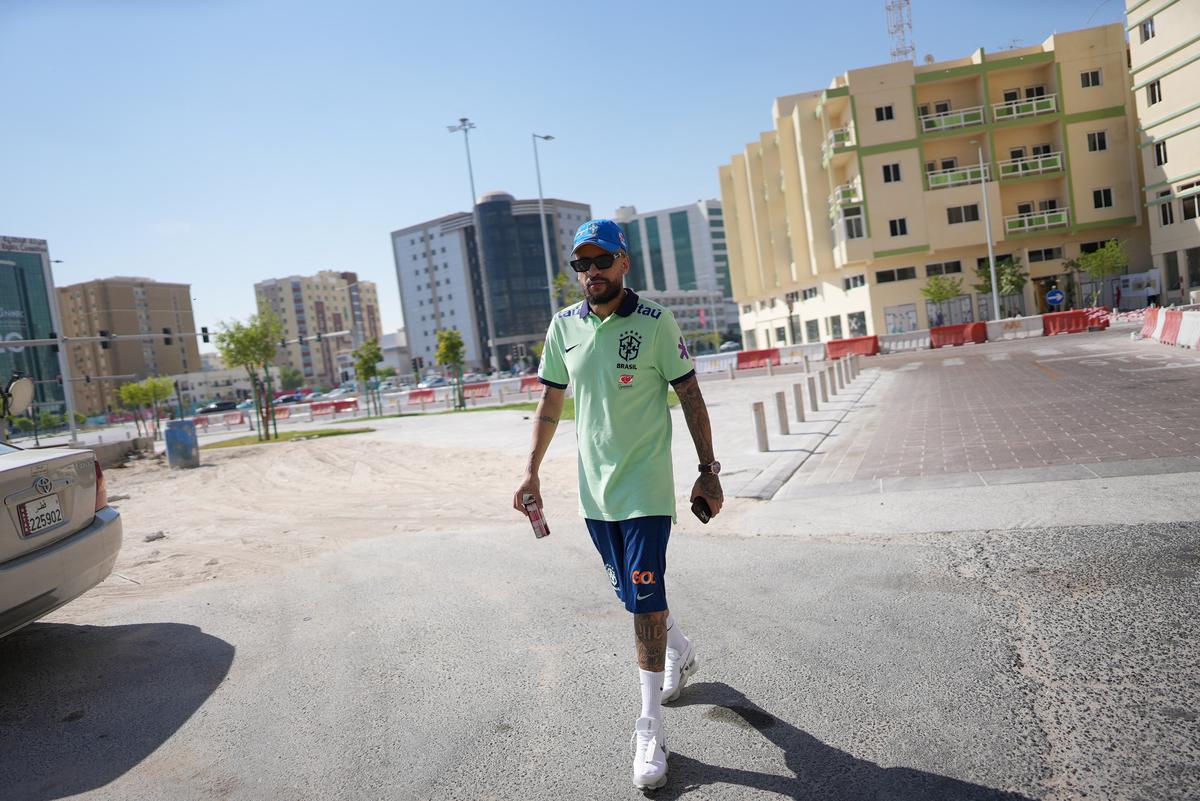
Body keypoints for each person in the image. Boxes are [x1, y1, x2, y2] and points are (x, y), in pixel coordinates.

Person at [513, 219, 723, 790]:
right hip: (595, 494)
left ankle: (649, 727)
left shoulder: (656, 322)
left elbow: (690, 395)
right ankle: (678, 647)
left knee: (642, 603)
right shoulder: (564, 327)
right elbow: (552, 404)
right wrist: (531, 470)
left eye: (600, 260)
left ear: (624, 261)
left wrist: (708, 471)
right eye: (581, 265)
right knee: (636, 596)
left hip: (648, 490)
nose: (591, 273)